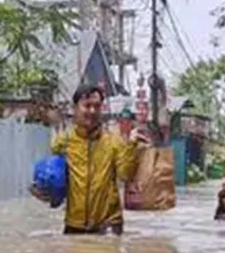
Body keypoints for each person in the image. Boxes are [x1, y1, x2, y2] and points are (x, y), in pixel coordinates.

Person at [33, 85, 148, 235]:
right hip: (74, 225)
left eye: (97, 106)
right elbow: (55, 181)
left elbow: (125, 175)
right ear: (75, 108)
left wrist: (132, 146)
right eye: (87, 106)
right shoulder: (63, 142)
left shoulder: (114, 141)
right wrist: (43, 191)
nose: (92, 111)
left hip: (108, 227)